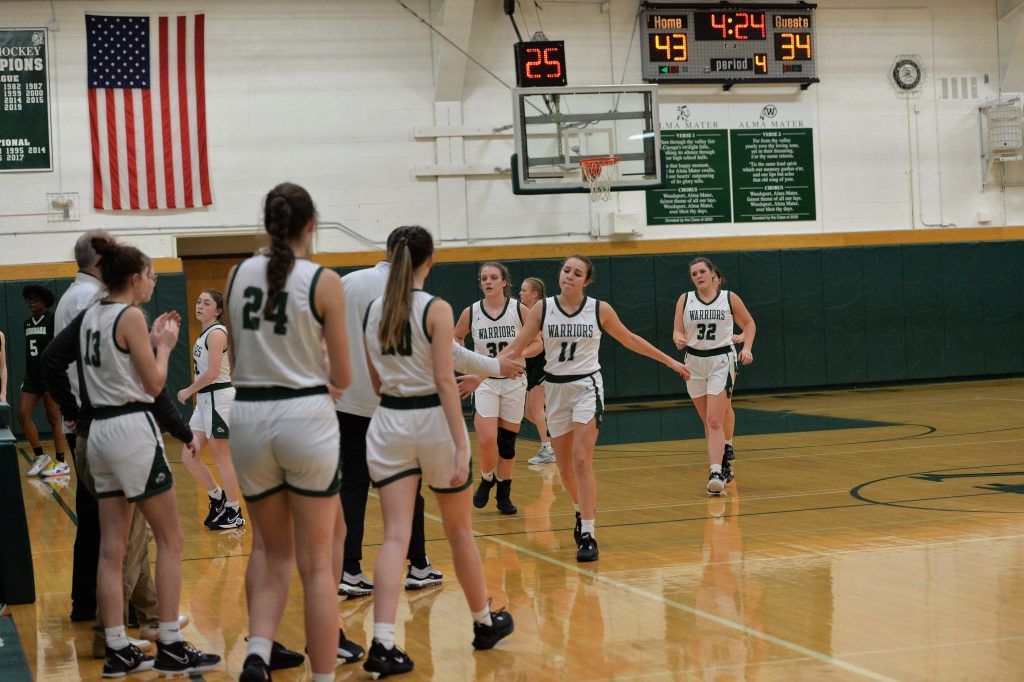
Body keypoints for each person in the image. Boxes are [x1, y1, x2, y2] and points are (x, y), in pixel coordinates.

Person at [362, 225, 514, 677]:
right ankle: (483, 623)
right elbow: (447, 379)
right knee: (459, 531)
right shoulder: (437, 307)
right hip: (431, 420)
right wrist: (461, 442)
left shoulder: (373, 310)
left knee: (394, 536)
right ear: (430, 261)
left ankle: (384, 642)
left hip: (388, 419)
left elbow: (374, 381)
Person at [337, 234, 523, 599]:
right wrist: (495, 366)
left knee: (353, 488)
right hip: (408, 411)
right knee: (425, 503)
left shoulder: (349, 283)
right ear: (428, 261)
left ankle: (351, 570)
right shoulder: (423, 303)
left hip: (351, 405)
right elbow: (448, 362)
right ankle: (426, 570)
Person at [228, 183, 362, 682]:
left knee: (270, 548)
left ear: (267, 225)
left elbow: (238, 361)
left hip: (247, 416)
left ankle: (258, 652)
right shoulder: (322, 280)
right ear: (311, 226)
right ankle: (323, 676)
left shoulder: (237, 273)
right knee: (316, 567)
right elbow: (344, 378)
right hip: (304, 414)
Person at [78, 238, 219, 676]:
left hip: (98, 431)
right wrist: (165, 345)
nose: (154, 282)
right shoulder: (129, 315)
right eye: (152, 275)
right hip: (131, 430)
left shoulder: (90, 316)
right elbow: (155, 383)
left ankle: (118, 647)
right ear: (135, 278)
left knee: (112, 549)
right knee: (172, 539)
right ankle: (172, 644)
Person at [502, 255, 690, 562]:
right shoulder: (543, 308)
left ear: (586, 281)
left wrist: (670, 362)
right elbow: (516, 347)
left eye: (577, 273)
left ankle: (588, 532)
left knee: (580, 459)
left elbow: (629, 338)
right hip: (556, 389)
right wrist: (480, 373)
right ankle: (580, 512)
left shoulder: (599, 309)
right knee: (564, 471)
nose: (570, 276)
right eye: (566, 271)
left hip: (587, 387)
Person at [53, 230, 110, 622]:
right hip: (95, 421)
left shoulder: (72, 296)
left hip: (82, 420)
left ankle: (86, 601)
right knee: (104, 520)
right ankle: (108, 610)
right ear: (100, 261)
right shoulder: (89, 299)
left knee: (92, 517)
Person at [453, 262, 540, 516]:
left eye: (493, 277)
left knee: (507, 444)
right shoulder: (471, 312)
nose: (488, 282)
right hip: (486, 382)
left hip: (513, 381)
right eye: (483, 278)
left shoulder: (519, 309)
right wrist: (469, 359)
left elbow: (538, 342)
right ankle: (487, 477)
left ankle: (504, 493)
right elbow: (456, 337)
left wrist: (518, 354)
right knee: (487, 439)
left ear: (504, 282)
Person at [672, 257, 755, 495]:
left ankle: (716, 471)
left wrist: (746, 347)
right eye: (694, 274)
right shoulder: (685, 299)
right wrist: (678, 337)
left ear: (713, 275)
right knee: (708, 419)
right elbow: (677, 329)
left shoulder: (728, 298)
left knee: (715, 419)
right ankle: (724, 462)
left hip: (721, 360)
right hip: (694, 362)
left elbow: (749, 323)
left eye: (701, 272)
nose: (698, 276)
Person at [176, 289, 244, 530]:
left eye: (206, 303)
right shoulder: (204, 333)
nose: (199, 305)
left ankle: (234, 511)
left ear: (218, 310)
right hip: (206, 401)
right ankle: (218, 497)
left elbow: (213, 373)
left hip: (219, 399)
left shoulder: (216, 333)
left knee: (222, 459)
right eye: (198, 301)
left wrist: (188, 390)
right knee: (189, 455)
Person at [19, 284, 69, 477]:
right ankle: (40, 456)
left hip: (49, 376)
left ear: (45, 302)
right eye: (29, 300)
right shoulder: (27, 323)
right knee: (22, 415)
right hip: (32, 377)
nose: (31, 303)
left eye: (36, 299)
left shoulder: (52, 319)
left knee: (54, 417)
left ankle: (61, 461)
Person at [519, 277, 555, 465]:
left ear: (534, 294)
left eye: (524, 290)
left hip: (543, 363)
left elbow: (540, 339)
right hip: (532, 364)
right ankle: (560, 436)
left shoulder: (541, 310)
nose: (520, 293)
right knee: (526, 410)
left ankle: (547, 448)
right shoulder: (528, 311)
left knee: (534, 407)